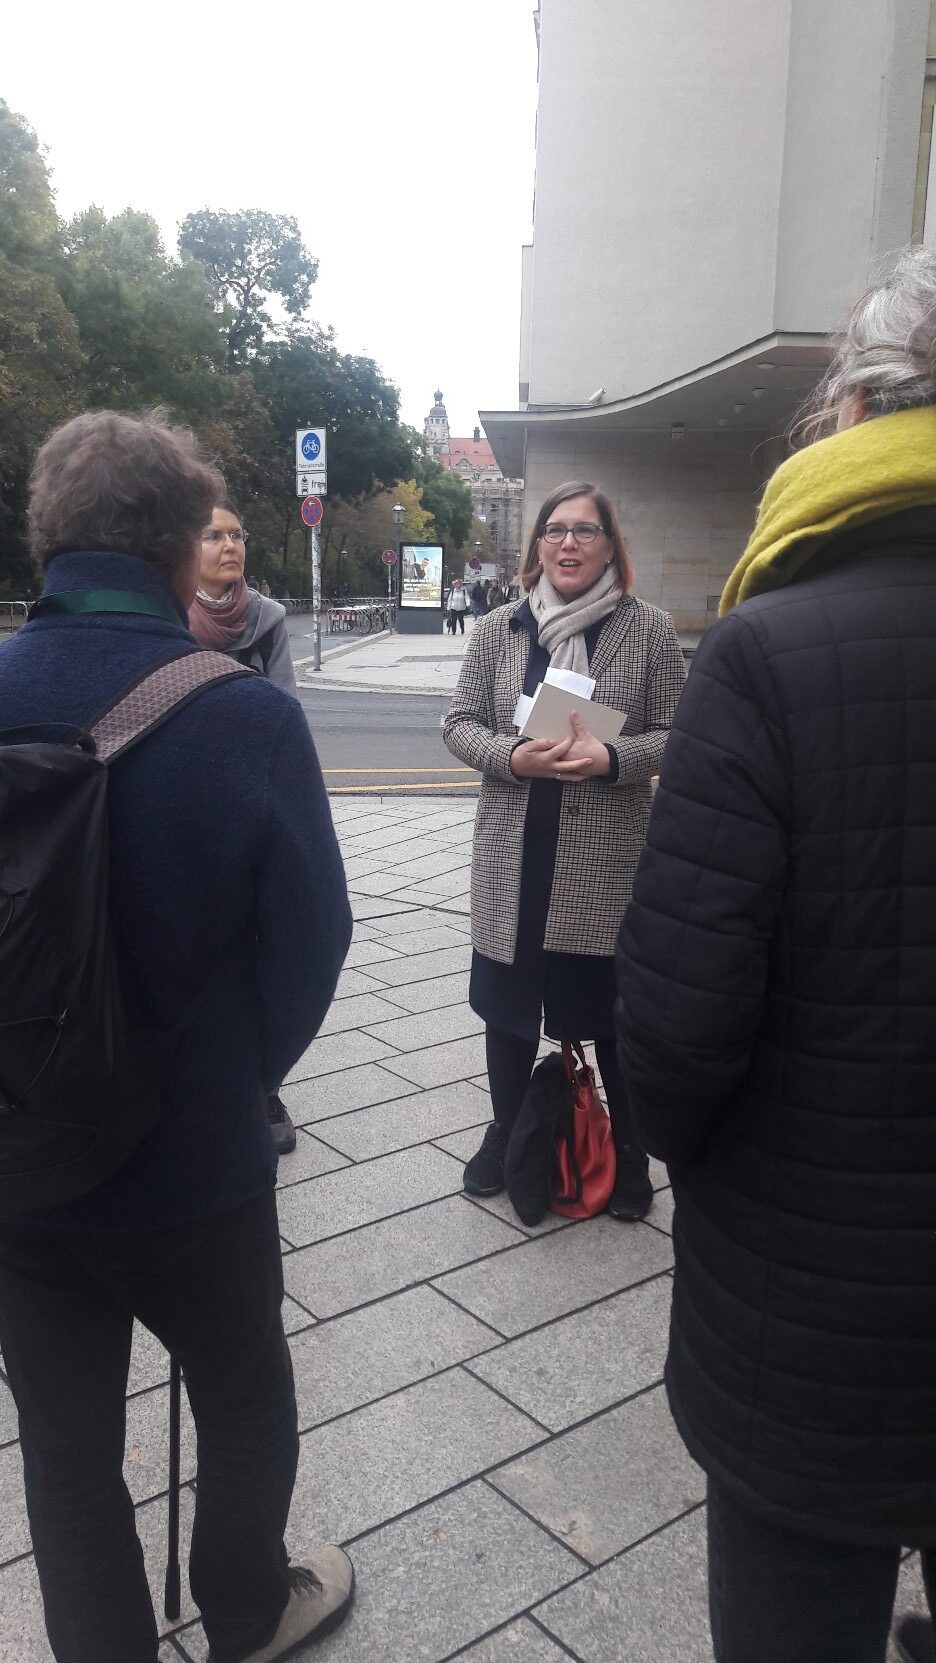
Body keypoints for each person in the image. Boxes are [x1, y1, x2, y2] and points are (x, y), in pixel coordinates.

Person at [614, 245, 936, 1663]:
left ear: (856, 407)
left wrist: (695, 1160)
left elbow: (678, 1032)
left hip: (810, 1316)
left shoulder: (765, 651)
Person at [0, 410, 354, 1663]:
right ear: (175, 543)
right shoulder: (245, 715)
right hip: (195, 1156)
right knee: (245, 1397)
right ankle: (247, 1611)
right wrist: (242, 1076)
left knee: (64, 1451)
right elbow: (315, 940)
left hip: (20, 1159)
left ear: (48, 534)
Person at [444, 481, 686, 1220]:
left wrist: (611, 758)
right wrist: (513, 757)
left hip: (604, 861)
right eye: (555, 530)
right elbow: (459, 723)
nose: (569, 543)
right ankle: (505, 1131)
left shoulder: (648, 630)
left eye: (585, 530)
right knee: (507, 1011)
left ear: (611, 546)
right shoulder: (500, 629)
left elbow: (679, 735)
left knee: (611, 1017)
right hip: (514, 854)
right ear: (538, 545)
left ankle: (632, 1152)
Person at [189, 500, 299, 1154]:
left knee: (257, 950)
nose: (230, 546)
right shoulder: (168, 614)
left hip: (250, 800)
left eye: (236, 535)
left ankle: (264, 1085)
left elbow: (283, 712)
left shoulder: (268, 619)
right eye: (213, 535)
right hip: (184, 802)